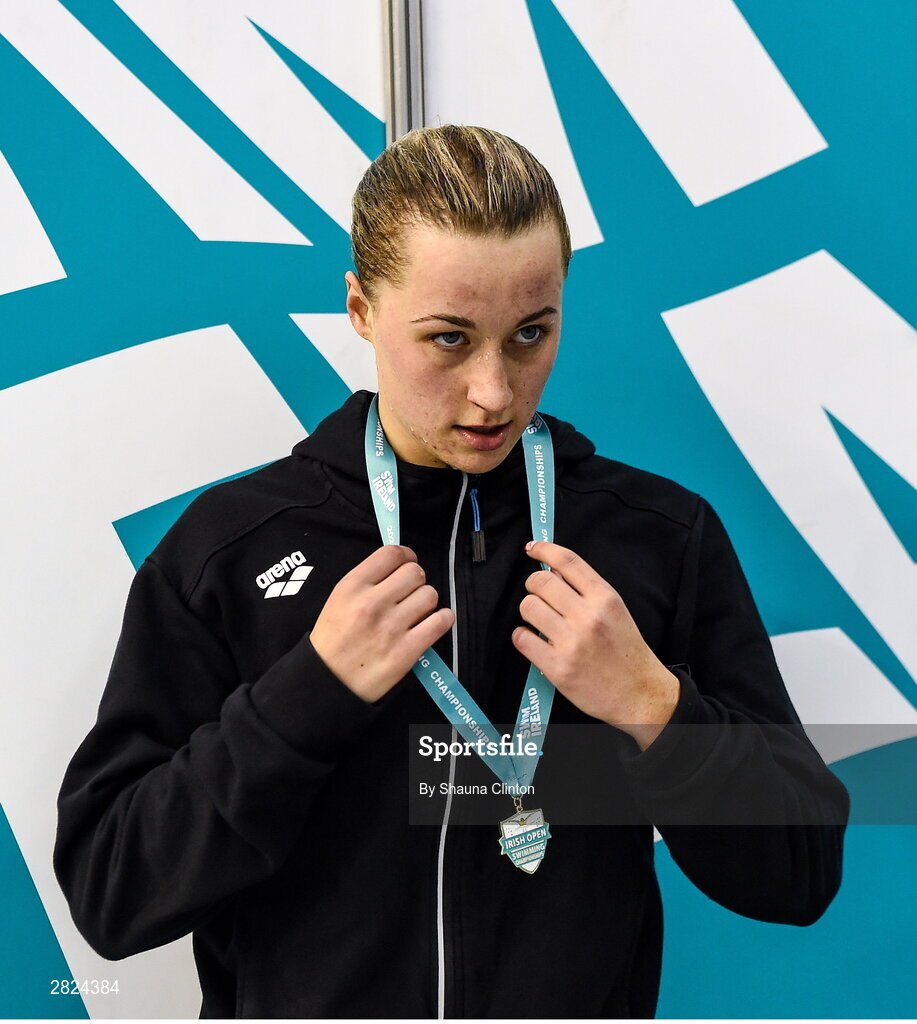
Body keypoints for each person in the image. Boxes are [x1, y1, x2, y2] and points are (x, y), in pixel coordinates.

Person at [54, 124, 850, 1019]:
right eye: (447, 339)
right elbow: (113, 892)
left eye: (529, 335)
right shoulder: (231, 550)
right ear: (360, 308)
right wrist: (304, 697)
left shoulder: (655, 539)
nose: (493, 392)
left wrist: (653, 706)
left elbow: (801, 873)